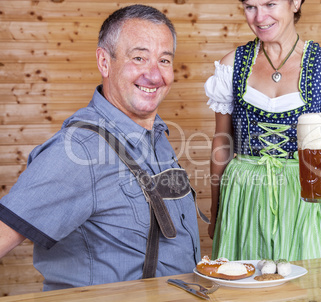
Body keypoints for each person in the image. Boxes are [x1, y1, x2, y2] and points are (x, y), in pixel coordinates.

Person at [0, 4, 202, 291]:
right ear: (104, 62)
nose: (155, 75)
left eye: (164, 61)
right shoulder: (79, 151)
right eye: (139, 58)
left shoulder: (155, 135)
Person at [205, 0, 321, 261]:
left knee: (311, 290)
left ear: (296, 3)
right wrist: (217, 210)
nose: (259, 17)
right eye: (250, 6)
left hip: (306, 199)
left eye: (269, 4)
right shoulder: (232, 64)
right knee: (245, 292)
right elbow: (222, 145)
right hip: (244, 199)